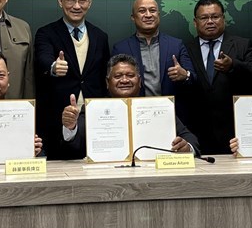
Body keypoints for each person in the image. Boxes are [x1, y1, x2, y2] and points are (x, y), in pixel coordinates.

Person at [61, 54, 200, 159]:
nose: (125, 80)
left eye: (130, 75)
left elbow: (191, 139)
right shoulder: (93, 108)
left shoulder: (159, 107)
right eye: (118, 76)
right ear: (107, 82)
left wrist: (187, 148)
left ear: (139, 81)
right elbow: (75, 146)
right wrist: (70, 127)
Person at [34, 0, 110, 159]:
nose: (77, 6)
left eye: (82, 0)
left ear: (90, 3)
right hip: (58, 119)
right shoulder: (46, 33)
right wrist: (53, 67)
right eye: (71, 0)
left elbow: (104, 75)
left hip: (95, 118)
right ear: (60, 1)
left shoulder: (100, 36)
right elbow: (43, 59)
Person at [183, 0, 252, 155]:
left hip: (235, 133)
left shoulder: (242, 44)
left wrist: (233, 65)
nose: (210, 21)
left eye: (215, 16)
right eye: (204, 18)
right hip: (197, 132)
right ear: (195, 22)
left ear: (223, 19)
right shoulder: (185, 48)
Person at [111, 0, 194, 121]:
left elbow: (193, 77)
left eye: (152, 10)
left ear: (158, 15)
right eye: (142, 11)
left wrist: (185, 75)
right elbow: (112, 85)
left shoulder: (176, 45)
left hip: (172, 116)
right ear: (133, 17)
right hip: (135, 116)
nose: (148, 15)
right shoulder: (121, 48)